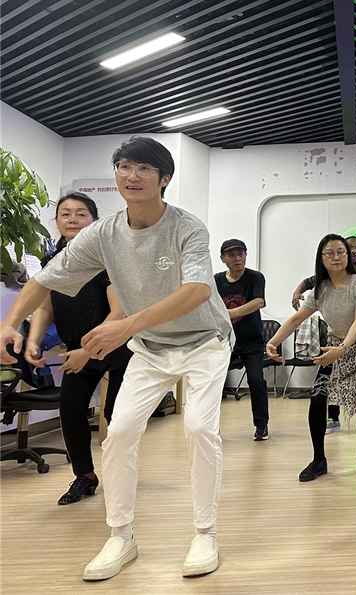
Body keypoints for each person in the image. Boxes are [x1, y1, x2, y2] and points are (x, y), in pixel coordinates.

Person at [0, 136, 234, 580]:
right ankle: (121, 536)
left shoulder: (187, 226)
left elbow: (199, 291)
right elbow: (47, 279)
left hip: (204, 342)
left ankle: (205, 532)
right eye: (125, 167)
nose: (132, 175)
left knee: (200, 427)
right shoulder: (102, 233)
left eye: (145, 169)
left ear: (164, 179)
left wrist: (125, 326)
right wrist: (9, 322)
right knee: (120, 432)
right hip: (151, 348)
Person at [24, 192, 132, 505]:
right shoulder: (51, 262)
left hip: (118, 345)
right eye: (65, 214)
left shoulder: (107, 257)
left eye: (81, 214)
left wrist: (90, 349)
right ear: (56, 222)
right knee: (71, 411)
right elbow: (45, 307)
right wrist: (33, 340)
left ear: (94, 221)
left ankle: (122, 474)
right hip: (77, 350)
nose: (72, 219)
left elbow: (119, 312)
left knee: (118, 416)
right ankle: (85, 476)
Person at [267, 234, 356, 480]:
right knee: (318, 398)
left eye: (341, 252)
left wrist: (344, 347)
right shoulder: (320, 289)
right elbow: (297, 318)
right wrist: (273, 341)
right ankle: (319, 460)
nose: (336, 257)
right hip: (334, 347)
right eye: (329, 253)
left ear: (349, 256)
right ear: (321, 259)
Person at [292, 235, 356, 430]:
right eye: (348, 248)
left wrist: (343, 347)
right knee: (321, 392)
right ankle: (332, 420)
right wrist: (297, 292)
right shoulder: (323, 282)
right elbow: (306, 288)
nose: (352, 252)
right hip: (337, 339)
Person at [215, 238, 269, 441]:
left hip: (251, 341)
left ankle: (261, 426)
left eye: (241, 253)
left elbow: (258, 301)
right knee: (213, 383)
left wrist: (231, 312)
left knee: (256, 380)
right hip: (224, 342)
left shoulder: (255, 277)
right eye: (231, 255)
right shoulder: (216, 281)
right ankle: (211, 427)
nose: (237, 258)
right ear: (223, 258)